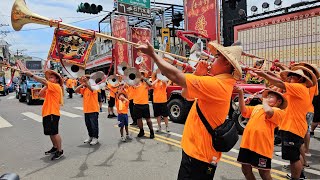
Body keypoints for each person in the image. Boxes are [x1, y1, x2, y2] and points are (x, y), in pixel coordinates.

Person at [136, 41, 242, 179]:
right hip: (198, 153)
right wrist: (198, 74)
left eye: (216, 58)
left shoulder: (217, 84)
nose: (211, 61)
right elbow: (186, 95)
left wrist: (154, 55)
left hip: (198, 156)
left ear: (227, 63)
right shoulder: (220, 82)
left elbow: (175, 76)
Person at [251, 66, 316, 180]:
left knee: (294, 157)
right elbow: (279, 87)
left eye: (292, 76)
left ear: (300, 79)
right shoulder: (296, 89)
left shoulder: (299, 87)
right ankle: (299, 175)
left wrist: (265, 75)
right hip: (292, 126)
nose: (290, 77)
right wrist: (269, 75)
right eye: (289, 75)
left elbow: (281, 84)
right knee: (295, 154)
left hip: (293, 127)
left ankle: (296, 177)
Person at [235, 87, 286, 180]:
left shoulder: (279, 111)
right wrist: (241, 94)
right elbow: (244, 111)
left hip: (262, 147)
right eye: (267, 96)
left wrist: (264, 102)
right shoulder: (258, 107)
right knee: (246, 170)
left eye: (271, 97)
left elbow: (268, 112)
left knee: (264, 173)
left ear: (278, 102)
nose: (267, 98)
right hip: (247, 144)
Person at [23, 70, 64, 160]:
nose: (49, 79)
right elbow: (40, 94)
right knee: (50, 132)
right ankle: (55, 147)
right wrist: (46, 86)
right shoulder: (50, 88)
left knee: (55, 132)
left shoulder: (56, 86)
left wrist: (32, 75)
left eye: (52, 77)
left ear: (57, 80)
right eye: (49, 78)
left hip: (53, 112)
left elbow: (43, 81)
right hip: (47, 113)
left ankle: (60, 150)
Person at [74, 75, 100, 145]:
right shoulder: (85, 89)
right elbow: (75, 90)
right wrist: (83, 84)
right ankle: (90, 136)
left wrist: (86, 83)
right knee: (88, 125)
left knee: (94, 125)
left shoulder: (94, 87)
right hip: (86, 110)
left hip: (93, 110)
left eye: (87, 79)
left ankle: (95, 138)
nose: (85, 80)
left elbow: (91, 89)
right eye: (84, 79)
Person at [133, 70, 155, 139]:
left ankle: (151, 132)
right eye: (139, 74)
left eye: (141, 74)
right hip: (136, 104)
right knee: (139, 119)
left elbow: (151, 85)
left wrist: (144, 78)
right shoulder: (134, 83)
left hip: (145, 104)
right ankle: (141, 131)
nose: (140, 75)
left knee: (148, 119)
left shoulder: (145, 83)